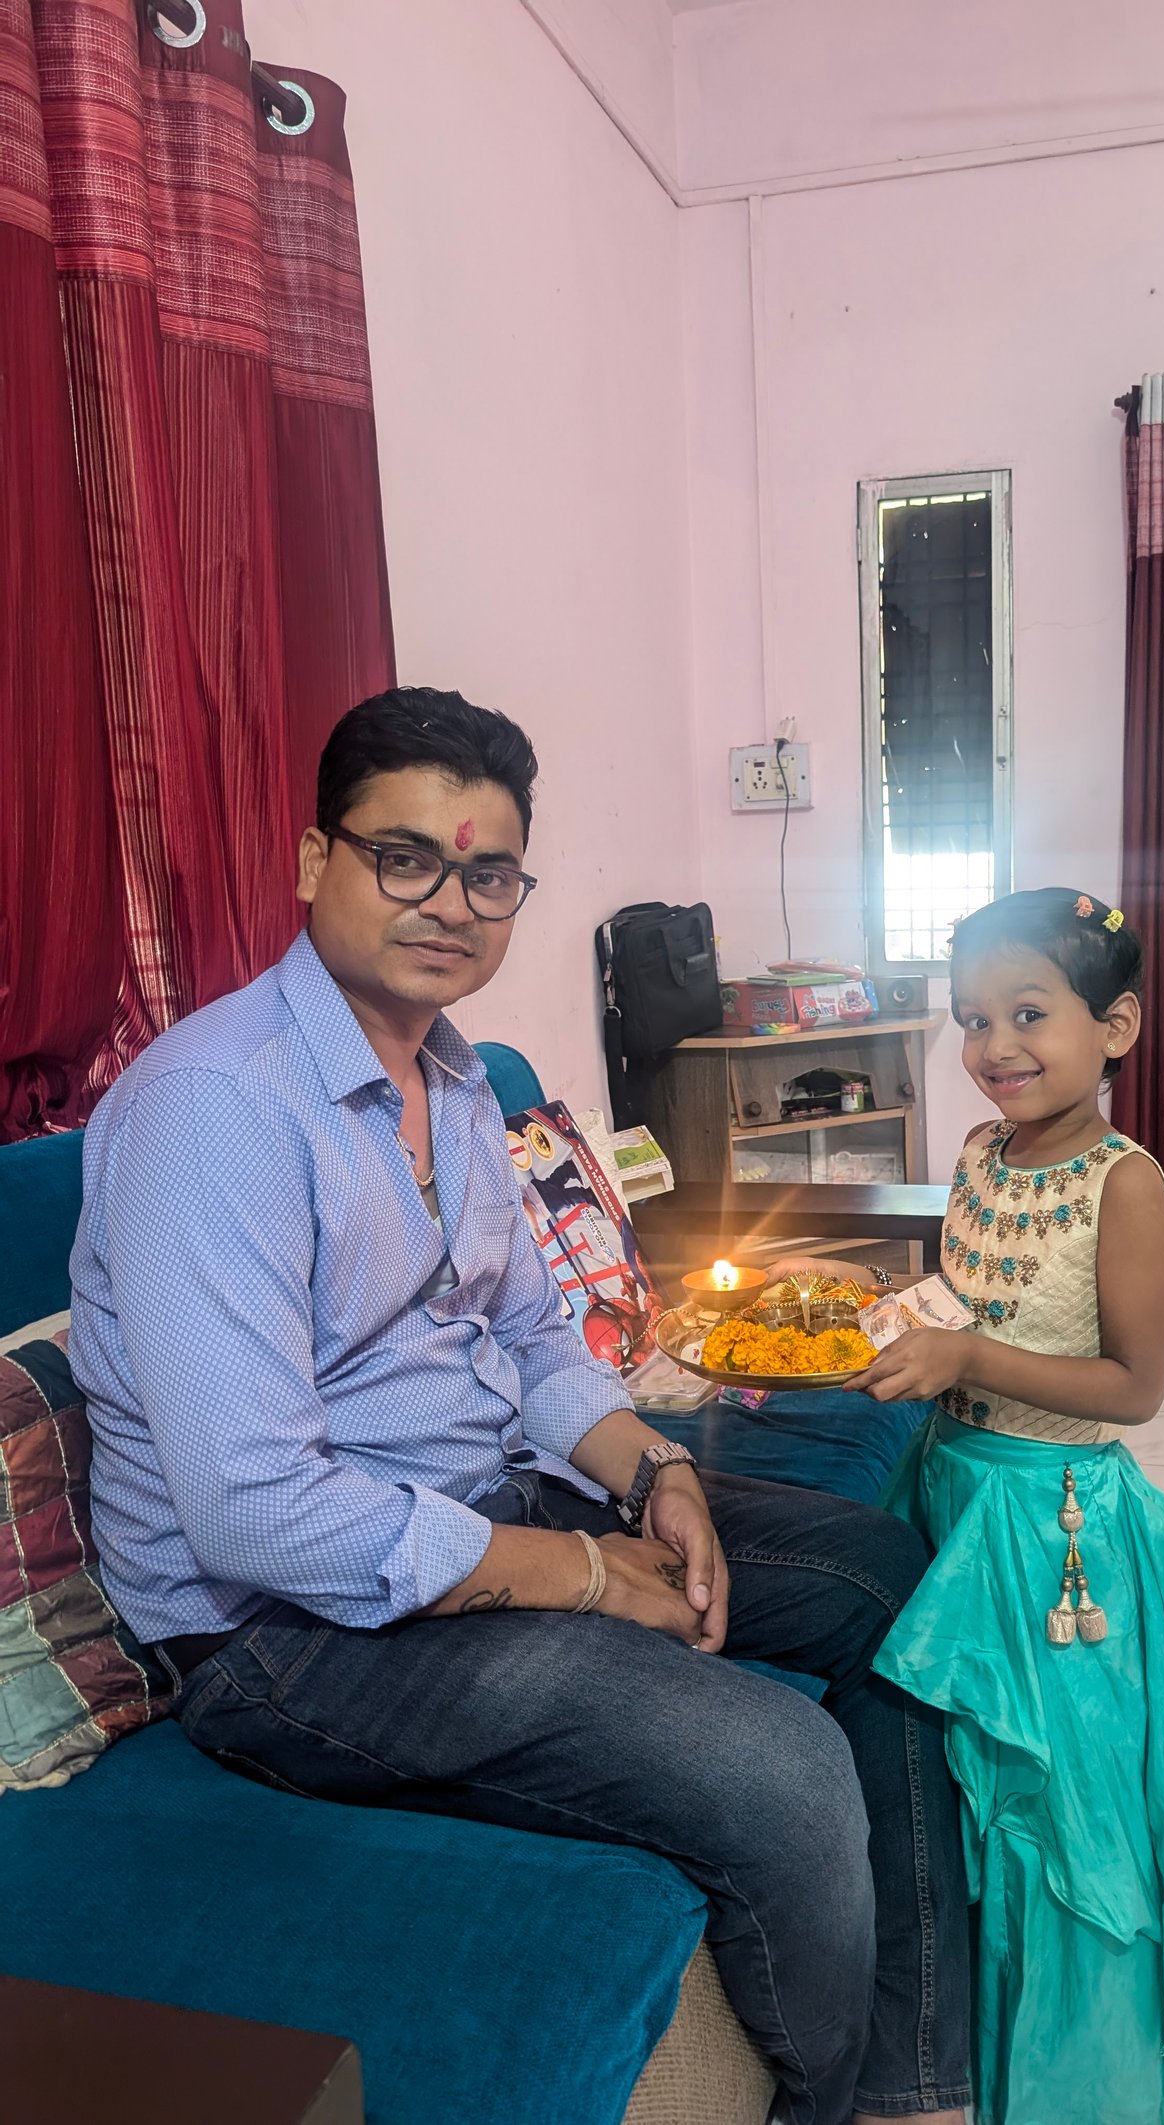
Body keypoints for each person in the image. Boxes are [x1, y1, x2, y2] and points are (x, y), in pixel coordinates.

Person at [69, 687, 970, 2125]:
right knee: (780, 1765)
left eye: (488, 874)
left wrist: (656, 1474)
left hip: (483, 1500)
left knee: (883, 1576)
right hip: (285, 1632)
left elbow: (532, 1334)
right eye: (403, 857)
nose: (449, 903)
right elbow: (252, 1511)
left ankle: (915, 2087)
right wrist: (585, 1576)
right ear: (312, 861)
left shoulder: (456, 1078)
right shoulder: (217, 1108)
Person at [782, 888, 1164, 2125]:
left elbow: (1134, 1387)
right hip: (947, 1493)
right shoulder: (976, 1153)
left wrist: (968, 1358)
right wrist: (859, 1298)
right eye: (971, 1019)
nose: (994, 1045)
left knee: (1057, 1796)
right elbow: (966, 1299)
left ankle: (1079, 2083)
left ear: (1114, 1026)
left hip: (1053, 1527)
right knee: (952, 1782)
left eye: (1026, 1013)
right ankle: (961, 2056)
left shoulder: (1124, 1183)